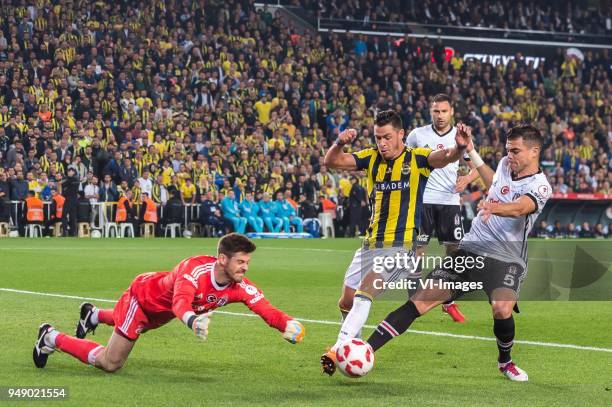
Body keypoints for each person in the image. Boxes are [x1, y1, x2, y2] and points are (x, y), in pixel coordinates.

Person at [365, 124, 551, 382]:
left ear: (534, 151)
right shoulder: (506, 165)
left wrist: (492, 207)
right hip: (471, 248)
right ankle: (365, 349)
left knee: (501, 307)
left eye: (516, 151)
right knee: (421, 299)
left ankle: (505, 362)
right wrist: (472, 152)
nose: (510, 155)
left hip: (507, 258)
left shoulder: (541, 186)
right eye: (508, 150)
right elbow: (495, 183)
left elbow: (521, 208)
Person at [320, 109, 470, 375]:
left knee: (365, 292)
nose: (382, 143)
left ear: (401, 134)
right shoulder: (371, 158)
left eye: (387, 137)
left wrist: (458, 148)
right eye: (378, 137)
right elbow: (331, 161)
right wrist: (339, 142)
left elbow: (444, 157)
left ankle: (338, 348)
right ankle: (351, 336)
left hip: (401, 246)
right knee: (346, 301)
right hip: (370, 243)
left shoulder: (417, 158)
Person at [33, 233, 305, 372]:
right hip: (142, 299)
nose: (245, 268)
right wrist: (192, 320)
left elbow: (265, 308)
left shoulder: (239, 287)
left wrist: (287, 324)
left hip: (159, 314)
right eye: (240, 262)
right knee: (111, 362)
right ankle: (51, 337)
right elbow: (180, 303)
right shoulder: (194, 269)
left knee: (127, 326)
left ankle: (91, 316)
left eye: (248, 262)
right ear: (222, 259)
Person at [405, 93, 480, 322]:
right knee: (418, 251)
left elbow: (478, 166)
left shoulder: (460, 137)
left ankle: (448, 301)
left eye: (444, 111)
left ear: (451, 112)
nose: (440, 116)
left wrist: (466, 180)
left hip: (449, 203)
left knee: (454, 252)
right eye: (436, 111)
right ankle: (413, 299)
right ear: (430, 111)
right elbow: (404, 162)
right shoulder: (417, 135)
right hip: (423, 201)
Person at [60, 168, 80, 236]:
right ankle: (73, 232)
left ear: (74, 172)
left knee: (64, 214)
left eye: (70, 171)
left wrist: (62, 182)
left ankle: (65, 231)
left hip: (69, 199)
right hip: (74, 199)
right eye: (68, 171)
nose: (69, 172)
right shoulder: (76, 179)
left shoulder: (70, 179)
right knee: (73, 216)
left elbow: (62, 185)